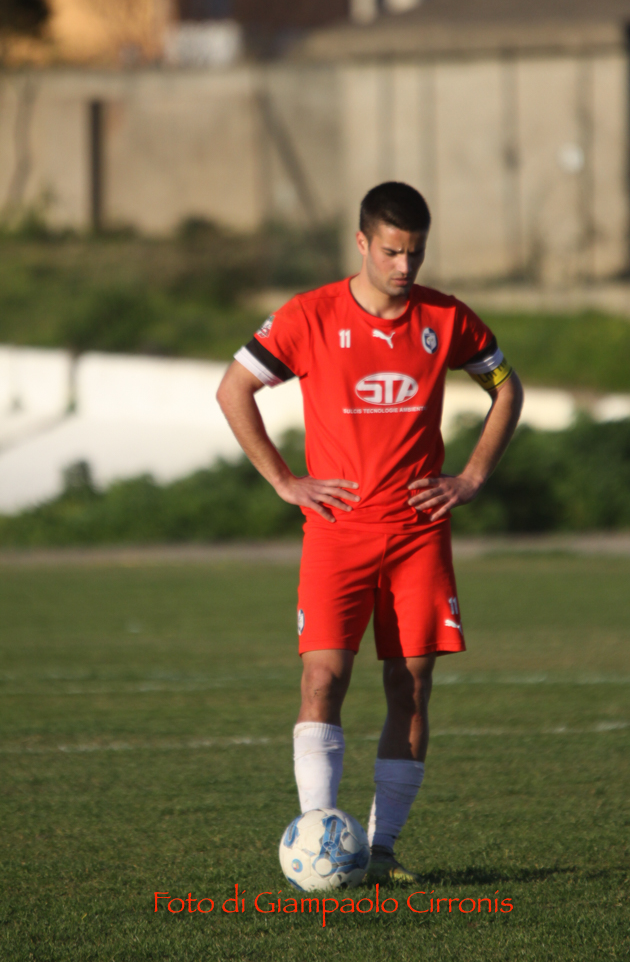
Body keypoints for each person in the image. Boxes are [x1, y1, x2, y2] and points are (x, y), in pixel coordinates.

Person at [217, 182, 523, 882]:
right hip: (337, 531)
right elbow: (233, 389)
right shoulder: (309, 316)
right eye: (390, 251)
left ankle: (381, 853)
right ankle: (320, 838)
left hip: (419, 533)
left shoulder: (446, 317)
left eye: (415, 253)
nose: (403, 266)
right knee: (322, 678)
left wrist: (472, 476)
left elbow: (507, 387)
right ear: (361, 242)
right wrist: (284, 480)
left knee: (409, 685)